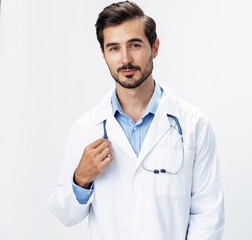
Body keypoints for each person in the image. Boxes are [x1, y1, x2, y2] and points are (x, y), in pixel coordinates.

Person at [48, 1, 224, 239]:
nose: (125, 59)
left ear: (155, 47)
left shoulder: (194, 125)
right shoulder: (86, 129)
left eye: (135, 45)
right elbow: (65, 214)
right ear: (103, 55)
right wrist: (81, 177)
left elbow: (208, 216)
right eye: (114, 48)